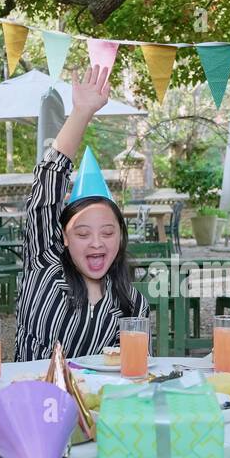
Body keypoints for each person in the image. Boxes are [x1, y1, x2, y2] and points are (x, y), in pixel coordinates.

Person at [14, 65, 148, 361]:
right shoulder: (43, 266)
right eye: (83, 233)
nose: (97, 243)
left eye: (108, 232)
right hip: (32, 401)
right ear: (64, 238)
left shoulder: (133, 305)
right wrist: (82, 113)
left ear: (121, 238)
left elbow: (134, 373)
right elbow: (48, 181)